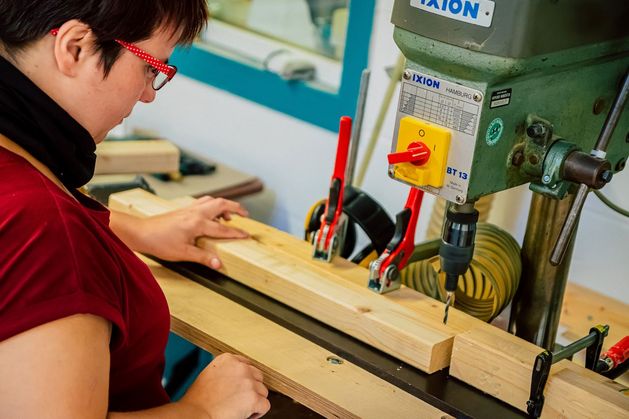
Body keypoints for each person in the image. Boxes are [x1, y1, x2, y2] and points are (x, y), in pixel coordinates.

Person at [0, 1, 271, 417]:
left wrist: (131, 232)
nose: (147, 94)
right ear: (75, 47)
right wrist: (202, 410)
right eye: (151, 67)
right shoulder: (51, 232)